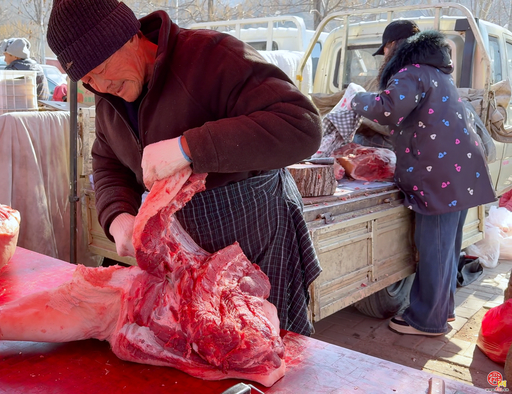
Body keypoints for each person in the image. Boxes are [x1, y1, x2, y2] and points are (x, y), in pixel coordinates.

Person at [47, 0, 323, 335]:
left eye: (102, 69)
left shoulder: (212, 55)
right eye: (88, 80)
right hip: (184, 256)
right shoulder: (109, 98)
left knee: (268, 349)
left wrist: (189, 147)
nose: (101, 87)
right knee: (205, 353)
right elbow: (107, 162)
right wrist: (117, 217)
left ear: (130, 36)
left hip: (255, 240)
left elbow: (302, 126)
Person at [347, 20, 496, 336]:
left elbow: (387, 110)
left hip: (440, 175)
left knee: (434, 249)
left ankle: (426, 320)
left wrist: (355, 98)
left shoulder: (411, 72)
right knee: (447, 249)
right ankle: (444, 310)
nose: (384, 56)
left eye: (385, 49)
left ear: (395, 45)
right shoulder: (437, 73)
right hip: (460, 171)